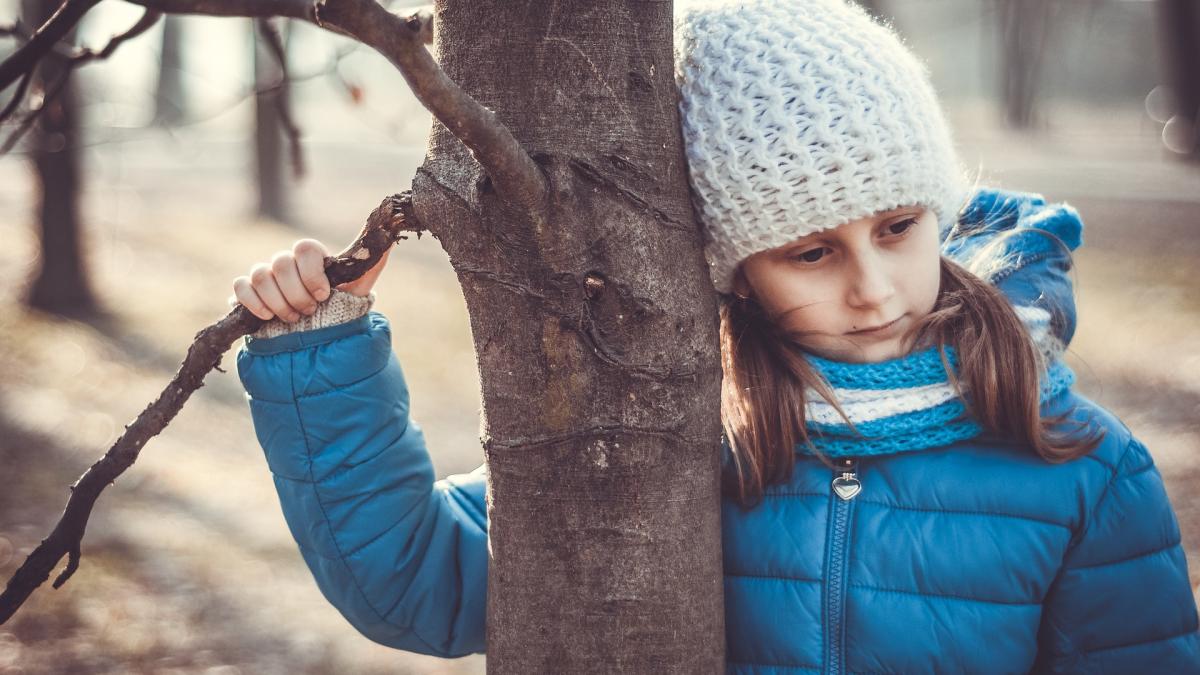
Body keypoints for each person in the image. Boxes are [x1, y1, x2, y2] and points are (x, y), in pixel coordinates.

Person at [231, 0, 1200, 671]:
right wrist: (324, 356)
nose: (873, 288)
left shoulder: (1084, 468)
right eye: (810, 253)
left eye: (899, 227)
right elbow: (416, 585)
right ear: (732, 271)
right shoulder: (670, 427)